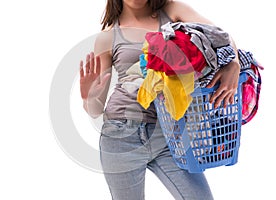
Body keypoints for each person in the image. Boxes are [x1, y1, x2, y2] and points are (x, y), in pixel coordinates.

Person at [79, 0, 240, 199]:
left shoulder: (173, 10)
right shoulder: (108, 36)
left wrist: (233, 63)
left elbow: (221, 36)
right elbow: (95, 110)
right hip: (120, 136)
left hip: (170, 135)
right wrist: (90, 97)